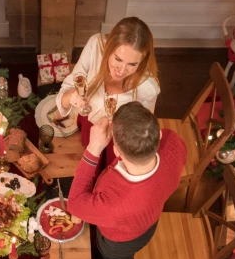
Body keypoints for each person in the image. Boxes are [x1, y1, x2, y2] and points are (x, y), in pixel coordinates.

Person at [67, 102, 186, 259]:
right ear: (159, 134)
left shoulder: (114, 204)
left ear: (116, 151)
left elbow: (74, 205)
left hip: (120, 243)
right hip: (150, 219)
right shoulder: (173, 141)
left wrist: (93, 149)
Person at [56, 17, 159, 165]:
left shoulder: (148, 88)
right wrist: (71, 96)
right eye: (118, 59)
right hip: (88, 128)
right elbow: (66, 91)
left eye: (132, 64)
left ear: (143, 60)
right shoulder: (96, 46)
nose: (122, 70)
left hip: (116, 145)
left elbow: (143, 132)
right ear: (108, 47)